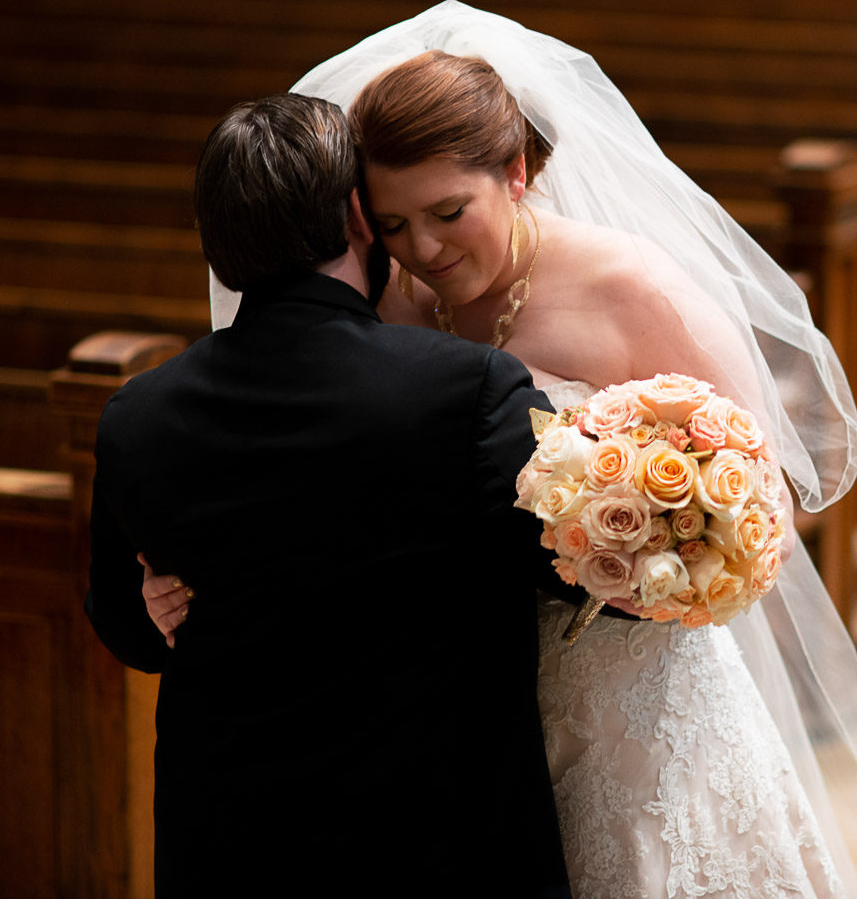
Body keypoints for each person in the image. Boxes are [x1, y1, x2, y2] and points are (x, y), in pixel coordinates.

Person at [167, 2, 857, 898]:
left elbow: (756, 498)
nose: (421, 249)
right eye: (389, 224)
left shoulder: (635, 291)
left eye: (447, 212)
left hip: (631, 695)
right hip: (456, 711)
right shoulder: (387, 301)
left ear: (516, 172)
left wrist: (644, 553)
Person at [86, 93, 575, 898]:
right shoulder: (469, 389)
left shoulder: (135, 415)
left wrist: (157, 603)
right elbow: (573, 571)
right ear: (357, 214)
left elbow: (129, 631)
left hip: (227, 845)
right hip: (438, 840)